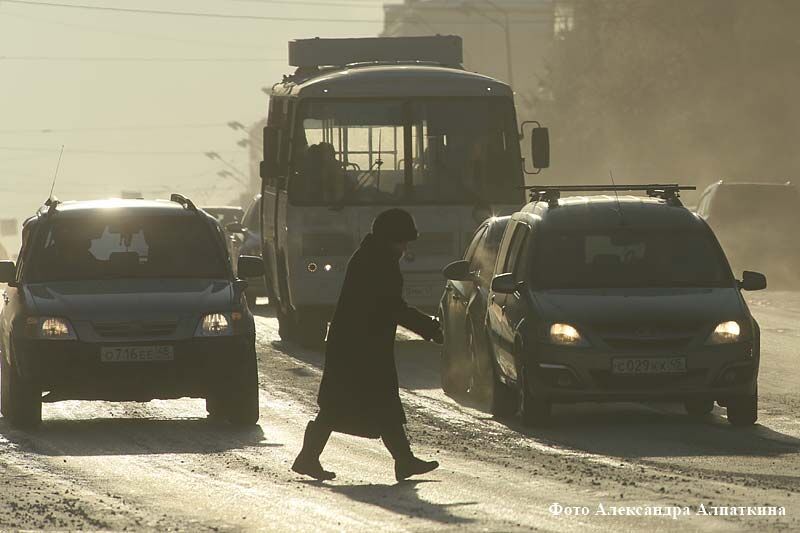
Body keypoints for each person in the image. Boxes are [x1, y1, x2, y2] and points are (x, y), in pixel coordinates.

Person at [292, 208, 444, 482]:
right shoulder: (378, 261)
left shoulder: (373, 255)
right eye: (402, 241)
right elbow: (392, 306)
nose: (405, 247)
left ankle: (403, 460)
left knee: (373, 404)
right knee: (349, 404)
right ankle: (309, 457)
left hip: (360, 344)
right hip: (360, 347)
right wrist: (430, 328)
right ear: (390, 239)